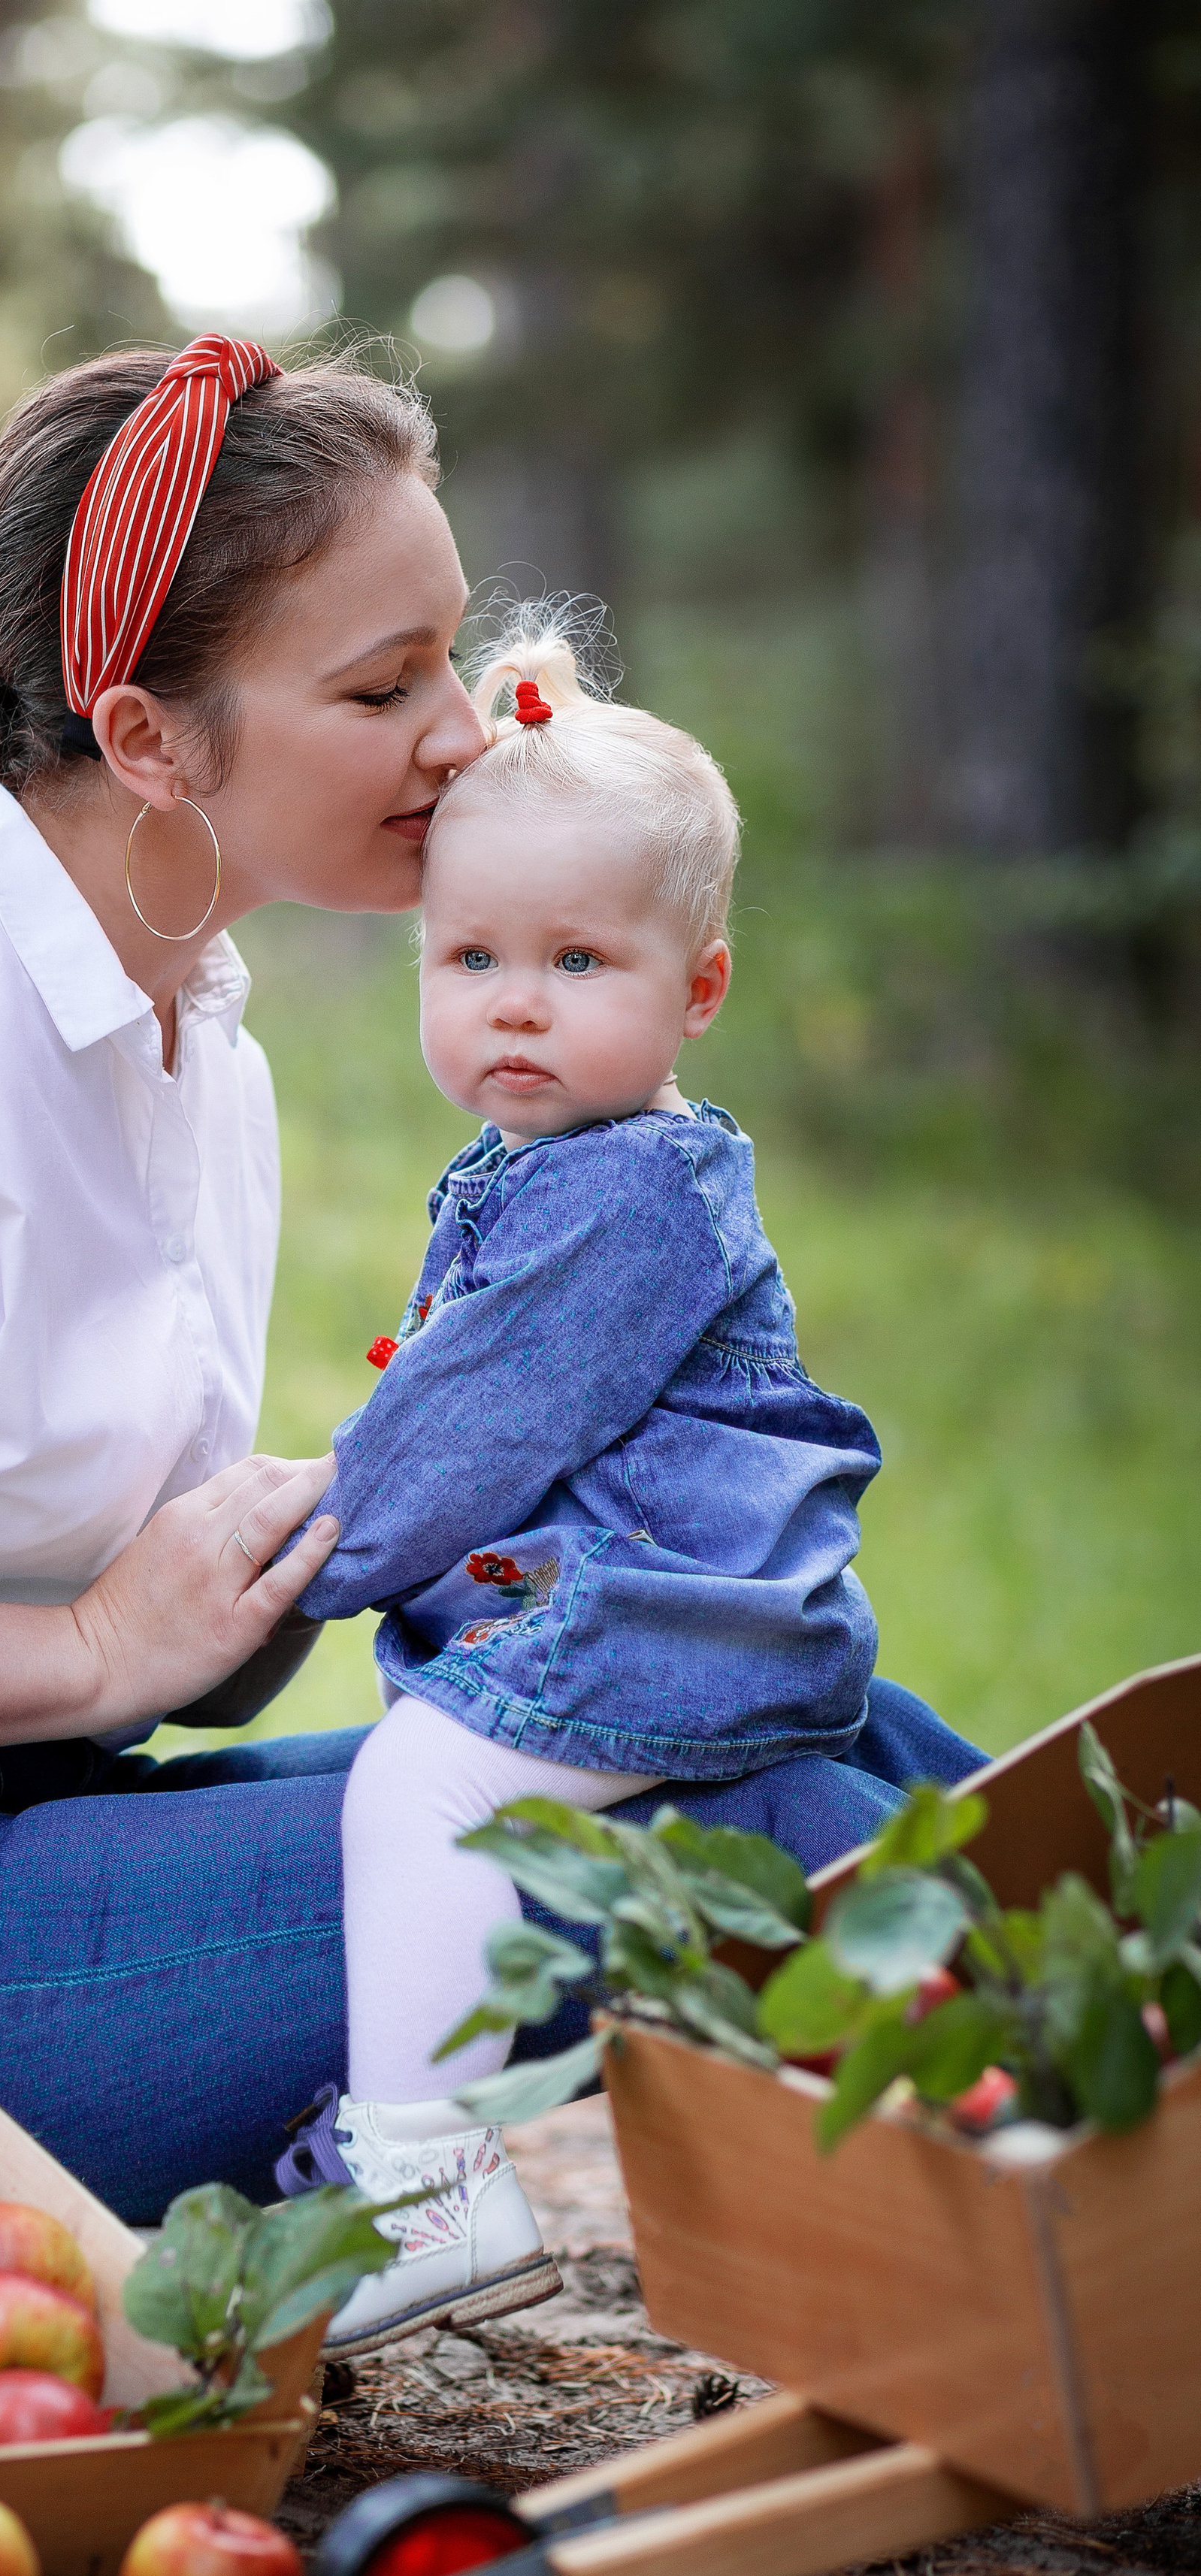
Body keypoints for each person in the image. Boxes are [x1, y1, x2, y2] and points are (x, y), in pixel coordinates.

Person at [0, 339, 982, 2240]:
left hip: (15, 1826)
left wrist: (284, 1568)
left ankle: (1122, 2115)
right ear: (148, 736)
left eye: (447, 654)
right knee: (739, 1837)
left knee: (823, 1730)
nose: (461, 732)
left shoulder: (185, 1027)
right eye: (379, 684)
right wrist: (102, 1652)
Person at [276, 614, 981, 2352]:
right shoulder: (551, 1161)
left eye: (578, 961)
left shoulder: (624, 1192)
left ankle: (421, 2183)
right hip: (658, 1588)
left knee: (420, 1797)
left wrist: (298, 1556)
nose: (514, 1002)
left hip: (666, 1602)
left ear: (698, 988)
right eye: (468, 960)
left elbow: (466, 1433)